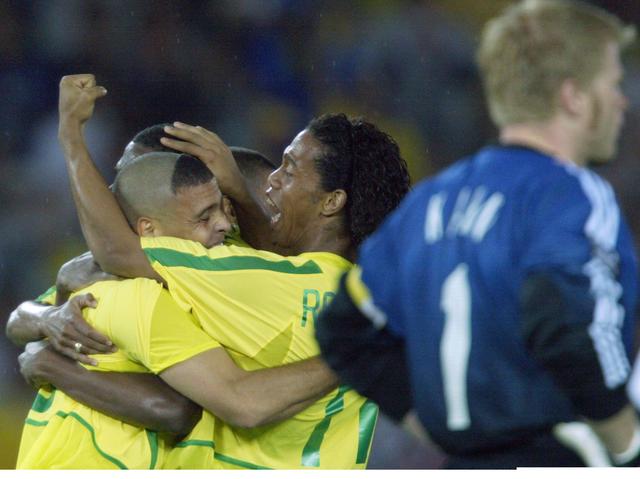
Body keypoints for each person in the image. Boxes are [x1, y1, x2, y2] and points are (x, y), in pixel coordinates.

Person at [316, 0, 640, 468]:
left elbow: (343, 330)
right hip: (558, 456)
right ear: (573, 97)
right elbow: (562, 318)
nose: (621, 99)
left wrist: (426, 421)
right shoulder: (571, 194)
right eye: (611, 83)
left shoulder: (430, 200)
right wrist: (626, 441)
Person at [36, 73, 410, 469]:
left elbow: (114, 250)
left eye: (289, 169)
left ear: (332, 201)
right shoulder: (361, 295)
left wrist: (72, 137)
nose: (272, 182)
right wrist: (41, 314)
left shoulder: (256, 280)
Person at [8, 151, 337, 469]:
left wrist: (51, 364)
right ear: (149, 227)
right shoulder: (131, 288)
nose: (222, 224)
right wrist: (48, 316)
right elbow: (19, 320)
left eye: (222, 209)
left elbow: (176, 409)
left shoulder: (194, 281)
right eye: (205, 216)